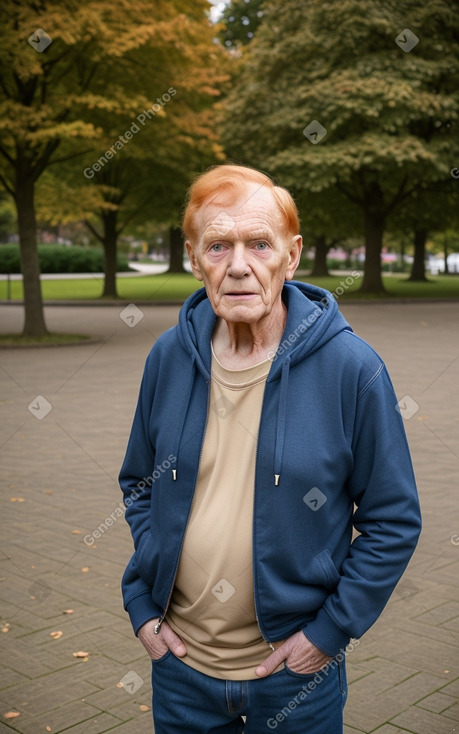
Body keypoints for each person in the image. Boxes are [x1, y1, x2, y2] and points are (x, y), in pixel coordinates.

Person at [119, 164, 422, 733]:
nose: (238, 266)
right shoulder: (167, 357)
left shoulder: (351, 369)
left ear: (292, 254)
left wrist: (329, 633)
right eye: (218, 246)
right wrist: (144, 605)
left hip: (294, 679)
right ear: (192, 257)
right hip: (180, 673)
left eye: (260, 244)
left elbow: (394, 520)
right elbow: (138, 484)